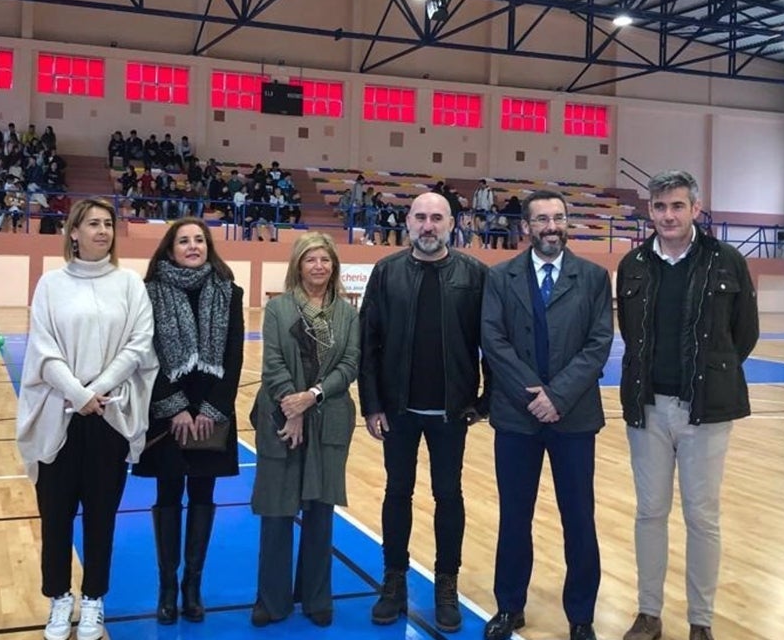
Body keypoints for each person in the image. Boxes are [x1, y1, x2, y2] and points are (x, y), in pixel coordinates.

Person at [617, 171, 759, 640]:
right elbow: (631, 334)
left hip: (706, 411)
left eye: (677, 206)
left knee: (702, 516)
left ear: (695, 209)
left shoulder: (727, 262)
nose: (668, 216)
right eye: (659, 207)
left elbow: (744, 334)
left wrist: (710, 376)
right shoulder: (634, 264)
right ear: (650, 212)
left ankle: (702, 621)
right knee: (649, 512)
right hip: (648, 409)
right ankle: (649, 613)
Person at [15, 198, 158, 640]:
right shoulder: (50, 285)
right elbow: (43, 348)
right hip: (59, 416)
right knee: (55, 514)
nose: (102, 231)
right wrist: (78, 393)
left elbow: (139, 343)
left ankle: (94, 598)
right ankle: (59, 598)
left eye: (108, 224)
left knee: (102, 515)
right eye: (92, 223)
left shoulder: (130, 284)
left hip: (109, 418)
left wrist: (99, 390)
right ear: (72, 232)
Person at [480, 189, 613, 640]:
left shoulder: (594, 277)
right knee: (514, 516)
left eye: (557, 218)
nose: (550, 226)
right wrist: (531, 393)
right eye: (541, 219)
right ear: (526, 227)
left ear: (567, 222)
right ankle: (509, 606)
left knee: (579, 517)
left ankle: (581, 616)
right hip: (517, 418)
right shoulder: (500, 278)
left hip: (573, 418)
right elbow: (493, 341)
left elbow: (598, 344)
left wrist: (556, 396)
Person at [359, 191, 489, 633]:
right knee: (397, 494)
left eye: (437, 218)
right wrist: (372, 404)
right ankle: (394, 580)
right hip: (398, 411)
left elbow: (492, 340)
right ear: (408, 222)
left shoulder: (473, 275)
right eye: (420, 217)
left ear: (452, 224)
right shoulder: (387, 272)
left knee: (448, 496)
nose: (428, 225)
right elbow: (368, 344)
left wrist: (484, 400)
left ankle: (445, 585)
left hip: (452, 413)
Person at [132, 219, 245, 625]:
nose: (193, 246)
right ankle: (166, 587)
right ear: (169, 249)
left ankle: (192, 586)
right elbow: (145, 353)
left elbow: (233, 358)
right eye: (184, 240)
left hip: (211, 410)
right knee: (167, 496)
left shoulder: (229, 293)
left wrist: (213, 411)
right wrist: (174, 405)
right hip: (167, 413)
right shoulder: (148, 293)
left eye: (200, 239)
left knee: (202, 495)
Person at [250, 232, 359, 628]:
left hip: (328, 418)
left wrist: (312, 396)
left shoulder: (347, 315)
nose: (318, 266)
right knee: (277, 511)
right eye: (310, 259)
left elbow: (349, 365)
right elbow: (273, 362)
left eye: (325, 260)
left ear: (334, 267)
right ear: (298, 264)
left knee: (320, 510)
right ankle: (271, 599)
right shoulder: (279, 309)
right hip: (280, 419)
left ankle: (316, 597)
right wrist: (291, 407)